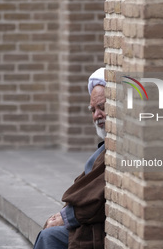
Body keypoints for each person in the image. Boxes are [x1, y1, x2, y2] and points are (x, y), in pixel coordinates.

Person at [33, 68, 107, 249]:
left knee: (49, 237)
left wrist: (66, 217)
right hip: (87, 222)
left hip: (97, 229)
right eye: (93, 110)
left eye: (103, 108)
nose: (97, 115)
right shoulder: (106, 146)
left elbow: (97, 197)